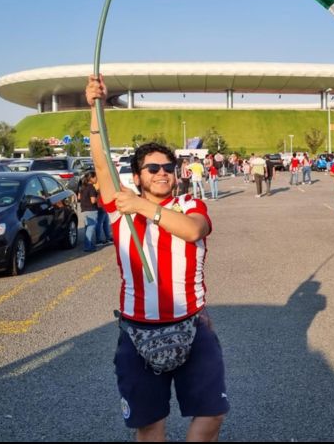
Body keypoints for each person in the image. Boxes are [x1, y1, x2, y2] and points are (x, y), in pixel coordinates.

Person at [86, 75, 229, 441]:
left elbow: (194, 231)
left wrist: (144, 207)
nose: (162, 173)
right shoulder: (122, 209)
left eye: (168, 167)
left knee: (211, 415)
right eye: (153, 168)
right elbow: (101, 165)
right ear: (137, 176)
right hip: (138, 330)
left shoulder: (188, 204)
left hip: (191, 325)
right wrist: (95, 108)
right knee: (150, 425)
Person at [79, 171, 99, 252]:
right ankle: (88, 246)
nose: (97, 179)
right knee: (91, 227)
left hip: (84, 209)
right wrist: (98, 196)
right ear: (91, 178)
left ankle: (89, 244)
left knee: (87, 227)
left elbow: (79, 197)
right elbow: (93, 200)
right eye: (95, 177)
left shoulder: (82, 187)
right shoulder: (91, 187)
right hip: (91, 209)